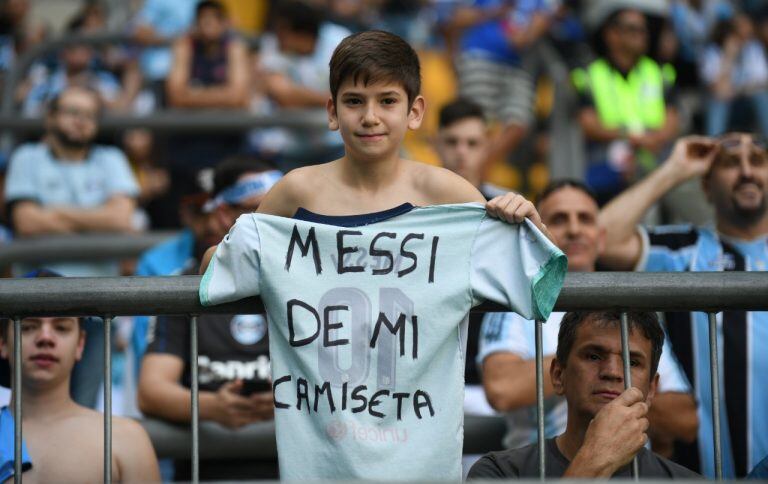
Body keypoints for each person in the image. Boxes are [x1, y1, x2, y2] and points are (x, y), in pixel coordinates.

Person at [198, 30, 567, 480]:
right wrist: (229, 244)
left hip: (419, 455)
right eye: (354, 101)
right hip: (319, 453)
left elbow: (541, 275)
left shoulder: (446, 194)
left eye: (387, 101)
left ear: (415, 112)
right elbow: (219, 269)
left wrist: (529, 222)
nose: (370, 116)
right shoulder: (297, 190)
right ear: (332, 111)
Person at [479, 180, 698, 458]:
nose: (574, 229)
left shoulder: (634, 311)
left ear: (601, 238)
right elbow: (502, 389)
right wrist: (590, 362)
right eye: (559, 219)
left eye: (585, 219)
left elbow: (686, 420)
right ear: (537, 233)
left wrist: (602, 389)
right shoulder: (519, 299)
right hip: (543, 472)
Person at [598, 133, 768, 477]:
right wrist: (675, 169)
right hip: (699, 472)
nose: (747, 171)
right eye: (732, 163)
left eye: (759, 161)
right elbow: (602, 237)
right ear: (706, 186)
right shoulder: (684, 247)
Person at [4, 85, 140, 409]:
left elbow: (121, 218)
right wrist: (95, 221)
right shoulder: (27, 157)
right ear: (50, 118)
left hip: (97, 306)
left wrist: (53, 212)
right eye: (73, 112)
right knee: (28, 407)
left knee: (84, 406)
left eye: (90, 116)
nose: (82, 121)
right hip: (35, 305)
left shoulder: (112, 158)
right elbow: (26, 222)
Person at [469, 311, 700, 478]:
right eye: (593, 356)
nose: (612, 372)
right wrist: (594, 460)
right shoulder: (499, 473)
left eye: (632, 362)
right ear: (559, 375)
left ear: (652, 389)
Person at [0, 270, 160, 483]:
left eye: (61, 328)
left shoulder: (126, 440)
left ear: (80, 344)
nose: (45, 338)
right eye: (28, 327)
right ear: (2, 343)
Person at [572, 8, 679, 204]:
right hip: (606, 159)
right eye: (632, 29)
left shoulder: (661, 72)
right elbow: (588, 124)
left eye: (643, 30)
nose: (641, 35)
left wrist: (651, 140)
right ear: (611, 35)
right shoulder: (588, 74)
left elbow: (672, 119)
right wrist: (632, 138)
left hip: (654, 156)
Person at [445, 0, 556, 167]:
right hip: (479, 58)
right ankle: (469, 173)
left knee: (519, 122)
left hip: (518, 66)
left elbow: (542, 20)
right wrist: (493, 12)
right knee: (476, 122)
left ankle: (479, 169)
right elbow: (456, 18)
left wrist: (527, 35)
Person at [249, 0, 349, 169]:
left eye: (282, 31)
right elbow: (284, 96)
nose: (276, 35)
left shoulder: (339, 40)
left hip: (338, 144)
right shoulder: (273, 43)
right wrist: (334, 99)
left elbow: (354, 94)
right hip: (292, 149)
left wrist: (300, 96)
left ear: (301, 34)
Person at [700, 15, 768, 138]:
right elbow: (718, 91)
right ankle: (714, 145)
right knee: (718, 102)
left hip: (746, 102)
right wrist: (729, 57)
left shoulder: (752, 48)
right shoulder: (712, 52)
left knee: (761, 97)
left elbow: (763, 82)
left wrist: (739, 89)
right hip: (725, 104)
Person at [435, 98, 507, 200]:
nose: (461, 151)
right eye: (452, 142)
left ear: (486, 147)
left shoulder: (506, 206)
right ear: (436, 144)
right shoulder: (415, 202)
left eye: (472, 143)